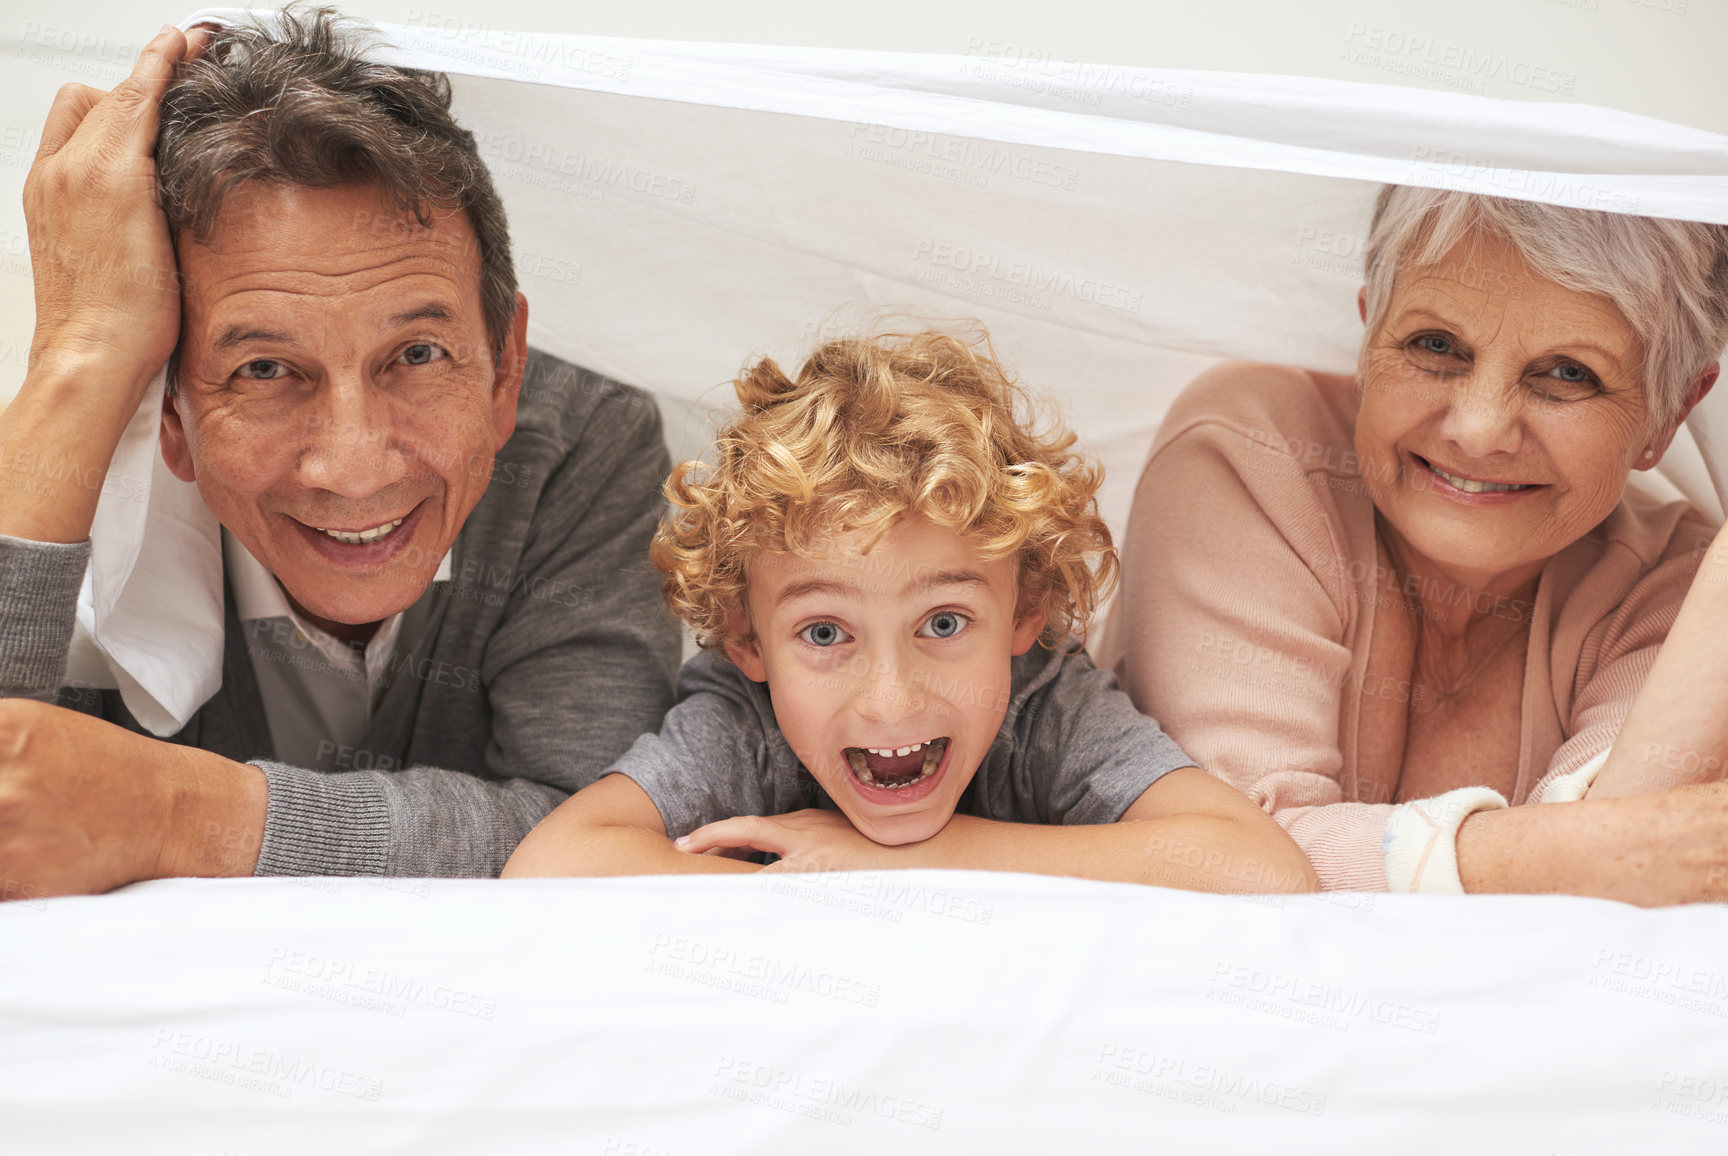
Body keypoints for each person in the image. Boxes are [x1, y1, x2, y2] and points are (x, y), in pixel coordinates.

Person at [0, 10, 679, 896]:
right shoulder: (69, 477)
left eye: (419, 355)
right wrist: (81, 353)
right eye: (266, 369)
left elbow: (598, 835)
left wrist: (178, 810)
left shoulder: (583, 443)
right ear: (167, 415)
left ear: (507, 368)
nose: (355, 466)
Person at [504, 328, 1317, 892]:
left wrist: (907, 861)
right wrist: (812, 883)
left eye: (944, 623)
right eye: (824, 634)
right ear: (746, 642)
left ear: (1025, 611)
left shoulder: (1045, 704)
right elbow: (553, 864)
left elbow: (1259, 866)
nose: (890, 698)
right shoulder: (743, 722)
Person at [1098, 185, 1728, 902]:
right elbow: (1234, 863)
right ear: (1369, 337)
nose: (1478, 429)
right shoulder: (1256, 449)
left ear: (1670, 412)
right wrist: (1546, 856)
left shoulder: (1685, 590)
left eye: (1566, 374)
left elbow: (1622, 881)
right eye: (1436, 346)